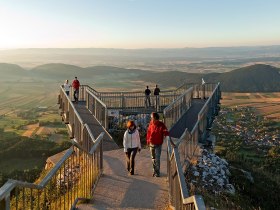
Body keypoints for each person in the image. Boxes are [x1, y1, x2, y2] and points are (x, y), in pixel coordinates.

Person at [146, 112, 169, 177]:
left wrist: (166, 134)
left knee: (157, 158)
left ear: (155, 118)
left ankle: (157, 172)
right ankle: (154, 171)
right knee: (153, 158)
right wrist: (148, 140)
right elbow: (148, 132)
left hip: (158, 144)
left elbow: (165, 131)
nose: (151, 119)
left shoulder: (161, 124)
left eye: (152, 118)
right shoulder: (151, 123)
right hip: (151, 144)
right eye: (151, 118)